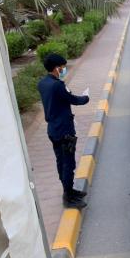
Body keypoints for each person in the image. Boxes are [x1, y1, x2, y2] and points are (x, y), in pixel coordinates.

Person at [38, 54, 90, 209]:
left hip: (53, 129)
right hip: (64, 130)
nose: (63, 69)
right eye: (62, 66)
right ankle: (68, 197)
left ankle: (69, 190)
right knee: (68, 163)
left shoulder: (42, 83)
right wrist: (86, 97)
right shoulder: (57, 85)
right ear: (56, 68)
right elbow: (72, 99)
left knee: (60, 161)